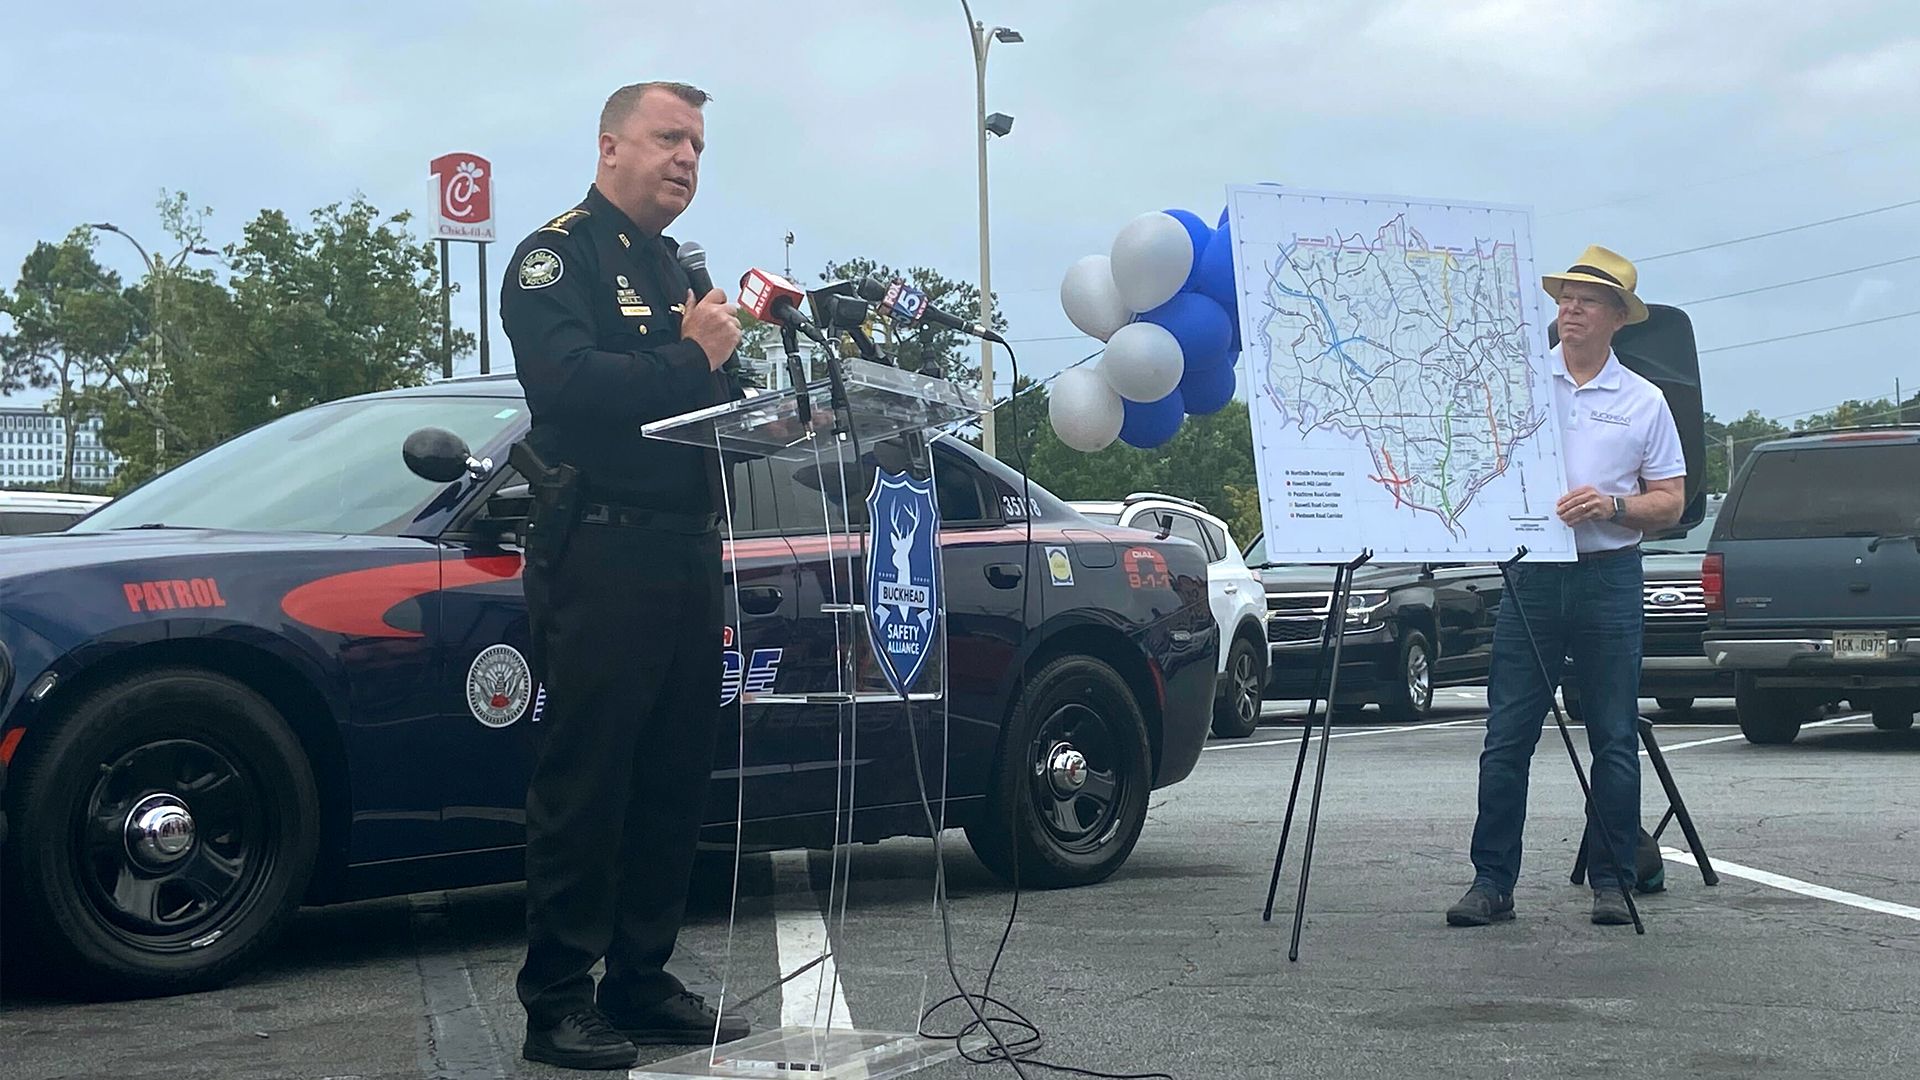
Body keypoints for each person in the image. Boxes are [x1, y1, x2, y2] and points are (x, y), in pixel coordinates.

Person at [501, 80, 750, 1071]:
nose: (687, 157)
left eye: (698, 143)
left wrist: (775, 409)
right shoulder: (555, 257)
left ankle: (641, 980)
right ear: (611, 148)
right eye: (668, 138)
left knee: (671, 779)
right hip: (600, 550)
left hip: (689, 548)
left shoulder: (677, 267)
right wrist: (694, 359)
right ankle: (557, 999)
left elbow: (717, 403)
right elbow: (567, 386)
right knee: (590, 780)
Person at [1447, 245, 1686, 929]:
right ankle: (1491, 882)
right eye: (1563, 298)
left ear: (1617, 316)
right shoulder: (1517, 385)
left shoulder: (1644, 400)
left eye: (1585, 300)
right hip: (1531, 573)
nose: (1570, 309)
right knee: (1507, 733)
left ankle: (1612, 880)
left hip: (1609, 575)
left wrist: (1612, 506)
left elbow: (1669, 499)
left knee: (1612, 732)